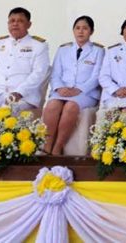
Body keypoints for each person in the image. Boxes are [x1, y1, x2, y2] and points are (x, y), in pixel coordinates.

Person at [42, 15, 104, 155]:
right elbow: (55, 73)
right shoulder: (63, 49)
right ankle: (47, 146)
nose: (80, 31)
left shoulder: (98, 51)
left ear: (91, 31)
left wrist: (79, 89)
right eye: (77, 28)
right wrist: (59, 88)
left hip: (85, 93)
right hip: (62, 91)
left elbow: (97, 76)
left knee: (70, 107)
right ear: (73, 30)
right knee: (52, 106)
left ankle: (58, 147)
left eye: (85, 28)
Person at [0, 7, 50, 113]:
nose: (15, 24)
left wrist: (19, 92)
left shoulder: (39, 45)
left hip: (23, 97)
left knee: (6, 112)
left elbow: (38, 74)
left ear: (29, 24)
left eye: (20, 21)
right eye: (12, 21)